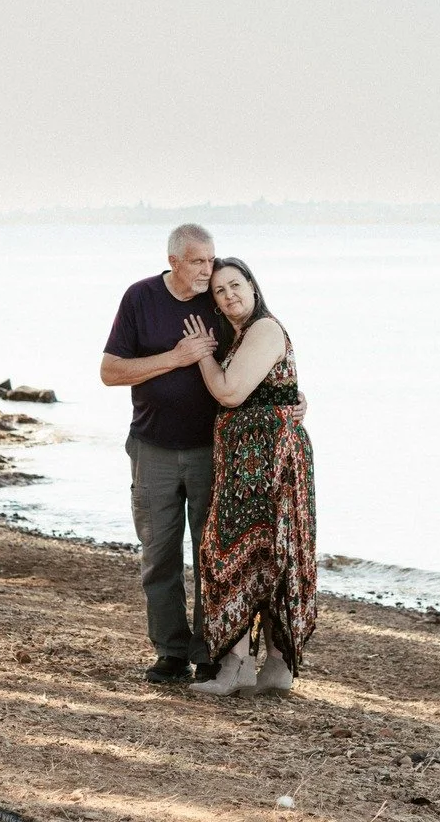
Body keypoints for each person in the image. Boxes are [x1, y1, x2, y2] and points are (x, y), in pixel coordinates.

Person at [186, 256, 317, 697]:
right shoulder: (240, 335)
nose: (229, 295)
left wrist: (203, 355)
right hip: (246, 466)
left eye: (236, 285)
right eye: (220, 291)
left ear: (254, 287)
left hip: (273, 465)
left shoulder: (264, 329)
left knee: (263, 556)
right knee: (248, 557)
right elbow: (274, 388)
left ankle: (255, 667)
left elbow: (230, 391)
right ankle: (251, 667)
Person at [100, 223, 223, 684]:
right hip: (151, 447)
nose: (207, 271)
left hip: (211, 449)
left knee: (212, 554)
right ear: (174, 260)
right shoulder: (140, 298)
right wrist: (177, 357)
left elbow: (260, 350)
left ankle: (210, 651)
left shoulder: (221, 300)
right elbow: (111, 372)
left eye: (211, 260)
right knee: (159, 555)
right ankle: (171, 652)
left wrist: (291, 397)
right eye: (198, 261)